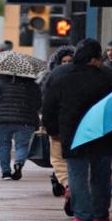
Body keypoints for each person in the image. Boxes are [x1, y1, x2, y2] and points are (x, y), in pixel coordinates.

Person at [42, 38, 112, 221]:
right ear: (95, 58)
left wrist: (52, 130)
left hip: (72, 132)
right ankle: (100, 215)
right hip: (103, 132)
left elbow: (49, 105)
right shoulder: (110, 76)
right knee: (101, 174)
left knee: (76, 173)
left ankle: (82, 216)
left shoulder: (59, 74)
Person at [0, 72, 41, 180]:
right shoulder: (33, 86)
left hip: (2, 119)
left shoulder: (1, 84)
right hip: (25, 120)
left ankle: (6, 172)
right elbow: (38, 104)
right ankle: (19, 162)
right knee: (22, 145)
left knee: (4, 147)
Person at [40, 45, 76, 197]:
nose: (67, 64)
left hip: (73, 125)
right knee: (59, 158)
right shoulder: (50, 79)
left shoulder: (80, 78)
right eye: (64, 61)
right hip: (59, 126)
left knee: (64, 158)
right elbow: (46, 104)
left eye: (70, 61)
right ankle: (68, 184)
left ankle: (68, 184)